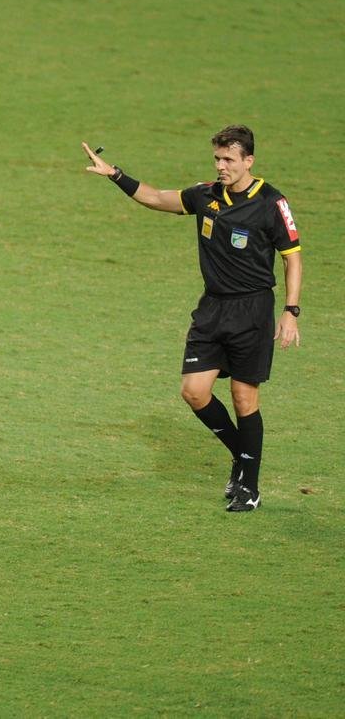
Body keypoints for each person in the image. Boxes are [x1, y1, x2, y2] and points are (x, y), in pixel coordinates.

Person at [82, 126, 302, 512]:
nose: (221, 166)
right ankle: (242, 455)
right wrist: (115, 174)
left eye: (229, 159)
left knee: (243, 397)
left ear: (248, 160)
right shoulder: (205, 196)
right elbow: (155, 197)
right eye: (217, 158)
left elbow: (292, 257)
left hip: (252, 309)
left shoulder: (270, 202)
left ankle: (249, 487)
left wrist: (291, 310)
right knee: (194, 391)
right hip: (213, 308)